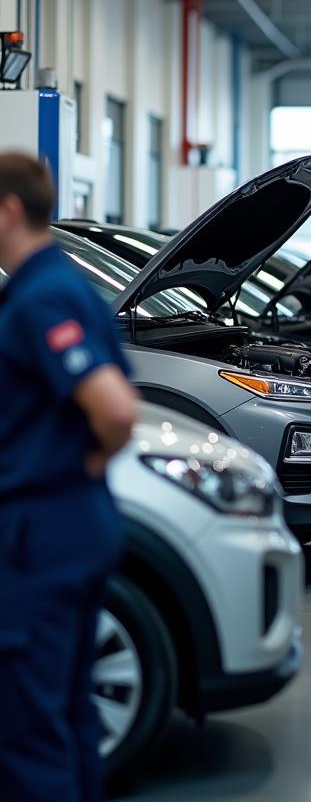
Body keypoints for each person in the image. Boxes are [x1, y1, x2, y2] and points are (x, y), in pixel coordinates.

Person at [0, 153, 138, 801]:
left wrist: (81, 461)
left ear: (7, 210)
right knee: (69, 713)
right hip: (74, 523)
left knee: (29, 731)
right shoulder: (66, 284)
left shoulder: (40, 296)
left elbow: (114, 407)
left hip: (43, 535)